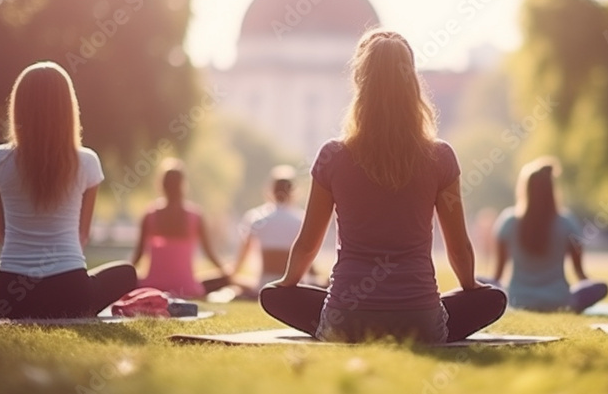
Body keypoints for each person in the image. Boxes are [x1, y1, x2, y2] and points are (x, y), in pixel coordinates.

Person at [260, 29, 507, 343]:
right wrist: (471, 287)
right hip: (420, 322)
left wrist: (287, 282)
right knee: (493, 299)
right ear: (412, 82)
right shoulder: (440, 157)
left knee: (273, 295)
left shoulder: (332, 156)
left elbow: (308, 244)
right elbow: (459, 247)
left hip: (347, 320)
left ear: (361, 83)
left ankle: (338, 320)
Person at [0, 62, 136, 318]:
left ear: (19, 108)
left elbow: (1, 233)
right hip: (72, 294)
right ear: (68, 109)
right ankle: (73, 305)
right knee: (127, 273)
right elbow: (82, 236)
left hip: (12, 297)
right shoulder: (87, 161)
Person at [492, 158, 608, 313]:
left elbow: (497, 276)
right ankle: (573, 303)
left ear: (525, 189)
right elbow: (580, 273)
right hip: (558, 299)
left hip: (517, 298)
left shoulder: (508, 221)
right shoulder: (567, 223)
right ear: (552, 190)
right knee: (602, 287)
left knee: (479, 282)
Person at [131, 159, 230, 298]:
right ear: (183, 185)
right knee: (223, 279)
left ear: (161, 185)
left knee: (129, 279)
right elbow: (209, 253)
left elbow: (137, 256)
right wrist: (226, 272)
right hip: (187, 287)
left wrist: (124, 276)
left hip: (152, 286)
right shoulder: (196, 216)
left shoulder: (149, 215)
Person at [231, 165, 307, 298]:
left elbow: (241, 261)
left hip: (264, 286)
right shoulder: (302, 220)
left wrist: (230, 277)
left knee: (237, 282)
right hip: (293, 287)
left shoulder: (256, 217)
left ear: (270, 190)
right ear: (293, 192)